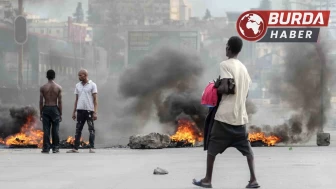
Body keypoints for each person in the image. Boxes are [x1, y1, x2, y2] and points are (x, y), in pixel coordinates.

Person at [193, 36, 260, 188]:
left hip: (224, 117)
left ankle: (207, 180)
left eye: (226, 47)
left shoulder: (225, 64)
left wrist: (216, 86)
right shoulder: (243, 68)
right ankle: (253, 179)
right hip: (240, 118)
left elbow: (226, 88)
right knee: (247, 150)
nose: (226, 49)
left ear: (229, 48)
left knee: (212, 147)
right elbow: (245, 93)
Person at [67, 69, 98, 153]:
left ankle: (91, 147)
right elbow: (76, 100)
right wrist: (74, 112)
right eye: (78, 75)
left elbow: (95, 100)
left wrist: (95, 112)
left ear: (85, 75)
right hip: (80, 110)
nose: (79, 77)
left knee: (91, 129)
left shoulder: (92, 85)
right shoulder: (77, 85)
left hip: (89, 110)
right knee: (78, 130)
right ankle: (75, 148)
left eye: (80, 75)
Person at [40, 69, 62, 154]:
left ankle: (46, 148)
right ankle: (55, 148)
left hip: (46, 108)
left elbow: (41, 102)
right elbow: (59, 102)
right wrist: (60, 113)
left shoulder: (43, 87)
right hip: (55, 108)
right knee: (55, 129)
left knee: (46, 129)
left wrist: (41, 112)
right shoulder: (58, 87)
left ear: (46, 76)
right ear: (54, 76)